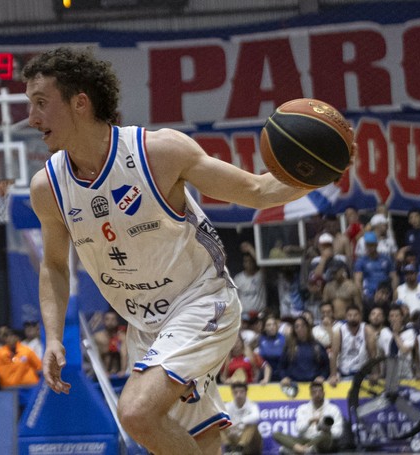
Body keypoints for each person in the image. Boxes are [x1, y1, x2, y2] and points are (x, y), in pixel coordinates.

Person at [23, 47, 354, 454]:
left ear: (80, 103)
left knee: (136, 412)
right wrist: (53, 337)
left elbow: (256, 190)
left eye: (41, 103)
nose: (31, 117)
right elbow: (54, 266)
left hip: (202, 301)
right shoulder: (48, 188)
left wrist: (325, 169)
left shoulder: (157, 152)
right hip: (145, 326)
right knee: (200, 442)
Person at [273, 380, 344, 454]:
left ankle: (302, 450)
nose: (317, 394)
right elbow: (299, 429)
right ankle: (301, 449)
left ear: (324, 393)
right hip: (305, 440)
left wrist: (326, 429)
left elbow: (339, 432)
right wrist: (309, 421)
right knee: (277, 434)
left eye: (319, 392)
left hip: (323, 442)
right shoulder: (302, 408)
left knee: (324, 435)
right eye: (314, 392)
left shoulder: (333, 409)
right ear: (310, 394)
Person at [329, 305, 375, 386]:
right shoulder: (339, 332)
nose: (352, 318)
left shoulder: (367, 329)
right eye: (350, 315)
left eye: (355, 315)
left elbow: (373, 353)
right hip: (345, 373)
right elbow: (333, 355)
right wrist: (333, 375)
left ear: (360, 316)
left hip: (363, 373)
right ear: (346, 317)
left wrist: (375, 373)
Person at [279, 317, 330, 385]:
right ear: (294, 330)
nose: (300, 329)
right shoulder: (289, 347)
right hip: (294, 385)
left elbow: (326, 366)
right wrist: (284, 377)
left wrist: (322, 376)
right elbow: (281, 366)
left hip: (314, 385)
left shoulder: (317, 346)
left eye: (303, 326)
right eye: (297, 326)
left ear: (307, 328)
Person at [221, 382, 263, 455]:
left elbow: (256, 417)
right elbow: (221, 420)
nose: (238, 395)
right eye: (236, 392)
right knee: (219, 426)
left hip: (250, 445)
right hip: (234, 438)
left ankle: (240, 448)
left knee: (252, 425)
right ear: (232, 393)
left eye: (241, 392)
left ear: (246, 393)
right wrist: (231, 427)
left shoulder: (252, 405)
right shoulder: (228, 406)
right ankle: (228, 448)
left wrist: (240, 422)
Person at [93, 310, 128, 375]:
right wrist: (101, 372)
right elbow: (95, 357)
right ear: (103, 321)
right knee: (106, 354)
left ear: (117, 322)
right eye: (107, 319)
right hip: (102, 372)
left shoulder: (122, 337)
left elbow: (124, 355)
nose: (110, 322)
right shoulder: (98, 337)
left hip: (118, 372)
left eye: (113, 319)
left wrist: (123, 371)